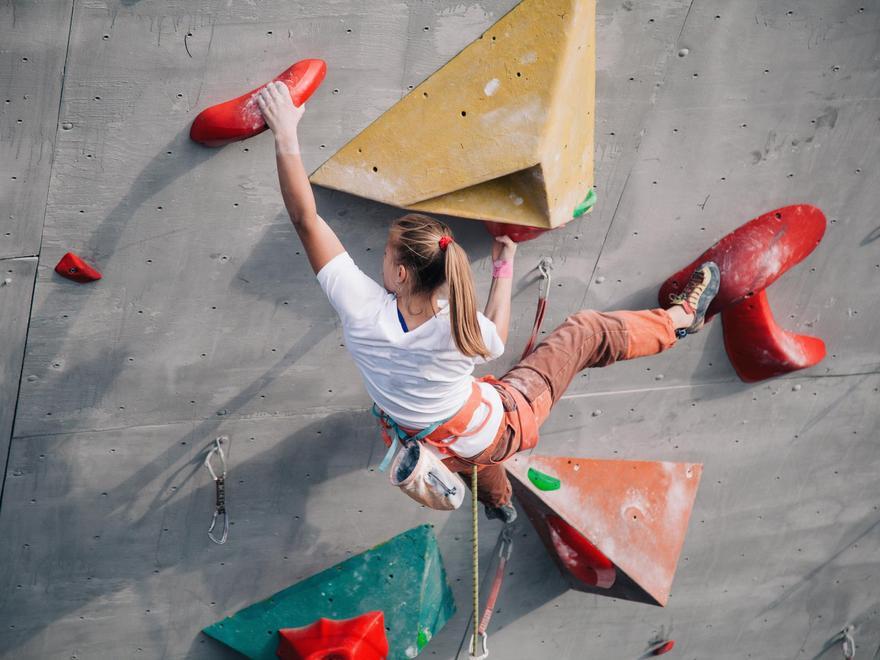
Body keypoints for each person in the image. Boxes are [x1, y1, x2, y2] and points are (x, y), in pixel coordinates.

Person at [256, 82, 720, 523]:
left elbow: (305, 217)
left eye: (384, 253)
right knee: (585, 332)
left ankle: (499, 504)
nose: (379, 260)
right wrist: (504, 264)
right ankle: (678, 319)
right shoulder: (458, 328)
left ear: (400, 274)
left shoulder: (362, 311)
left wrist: (285, 132)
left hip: (442, 446)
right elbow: (495, 334)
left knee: (476, 457)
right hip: (491, 430)